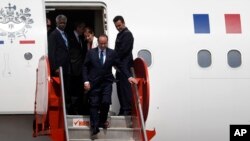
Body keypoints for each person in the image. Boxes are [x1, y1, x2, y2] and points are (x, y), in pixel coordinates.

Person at [82, 34, 137, 136]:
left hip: (107, 82)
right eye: (101, 43)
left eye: (105, 43)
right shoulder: (91, 53)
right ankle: (94, 127)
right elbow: (85, 67)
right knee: (94, 104)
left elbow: (120, 65)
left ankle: (102, 121)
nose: (103, 45)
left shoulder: (112, 53)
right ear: (98, 42)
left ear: (107, 42)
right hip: (93, 82)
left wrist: (129, 76)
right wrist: (86, 81)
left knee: (106, 102)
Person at [48, 14, 72, 114]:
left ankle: (67, 108)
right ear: (57, 23)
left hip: (66, 66)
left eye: (64, 23)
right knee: (61, 89)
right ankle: (62, 110)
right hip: (59, 67)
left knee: (67, 88)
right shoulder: (53, 34)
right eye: (60, 22)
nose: (62, 24)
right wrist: (55, 67)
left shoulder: (65, 34)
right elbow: (52, 52)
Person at [113, 15, 134, 115]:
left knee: (125, 89)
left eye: (119, 25)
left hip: (125, 65)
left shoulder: (127, 35)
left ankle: (127, 110)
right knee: (120, 89)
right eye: (116, 26)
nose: (118, 28)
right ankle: (123, 109)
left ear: (123, 23)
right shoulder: (119, 35)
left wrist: (114, 59)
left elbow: (123, 51)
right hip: (119, 66)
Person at [68, 22, 88, 115]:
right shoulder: (69, 36)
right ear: (78, 27)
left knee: (80, 91)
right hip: (72, 68)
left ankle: (79, 109)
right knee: (73, 91)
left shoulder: (82, 39)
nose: (83, 31)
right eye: (82, 28)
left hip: (80, 69)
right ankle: (72, 110)